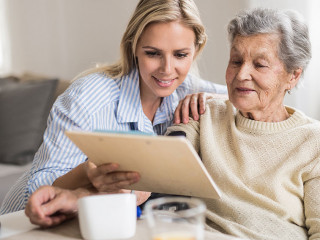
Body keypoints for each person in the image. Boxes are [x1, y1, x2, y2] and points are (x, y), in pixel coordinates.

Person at [0, 0, 226, 215]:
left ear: (196, 50)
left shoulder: (186, 89)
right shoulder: (87, 98)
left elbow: (248, 96)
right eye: (153, 53)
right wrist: (87, 173)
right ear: (133, 47)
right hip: (22, 223)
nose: (167, 69)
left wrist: (212, 97)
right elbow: (38, 189)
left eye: (180, 55)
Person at [165, 7, 320, 240]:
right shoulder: (203, 113)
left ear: (293, 75)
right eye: (236, 61)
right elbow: (159, 172)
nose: (241, 74)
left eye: (259, 65)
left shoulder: (313, 141)